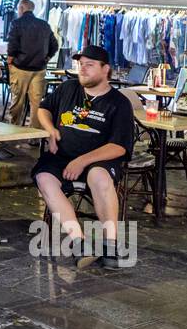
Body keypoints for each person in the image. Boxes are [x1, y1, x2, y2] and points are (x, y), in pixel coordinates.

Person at [33, 45, 135, 269]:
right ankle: (80, 242)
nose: (83, 69)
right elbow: (43, 108)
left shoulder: (119, 103)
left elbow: (119, 147)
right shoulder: (68, 88)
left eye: (89, 65)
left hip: (99, 160)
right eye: (81, 64)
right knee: (44, 178)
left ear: (105, 69)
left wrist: (82, 161)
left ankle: (110, 245)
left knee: (99, 176)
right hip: (61, 156)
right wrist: (51, 129)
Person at [6, 0, 57, 126]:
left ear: (22, 8)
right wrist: (47, 58)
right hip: (39, 69)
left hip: (20, 67)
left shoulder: (16, 23)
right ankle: (34, 135)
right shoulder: (44, 24)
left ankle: (14, 128)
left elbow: (12, 44)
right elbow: (54, 45)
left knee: (18, 100)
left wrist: (10, 59)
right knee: (37, 103)